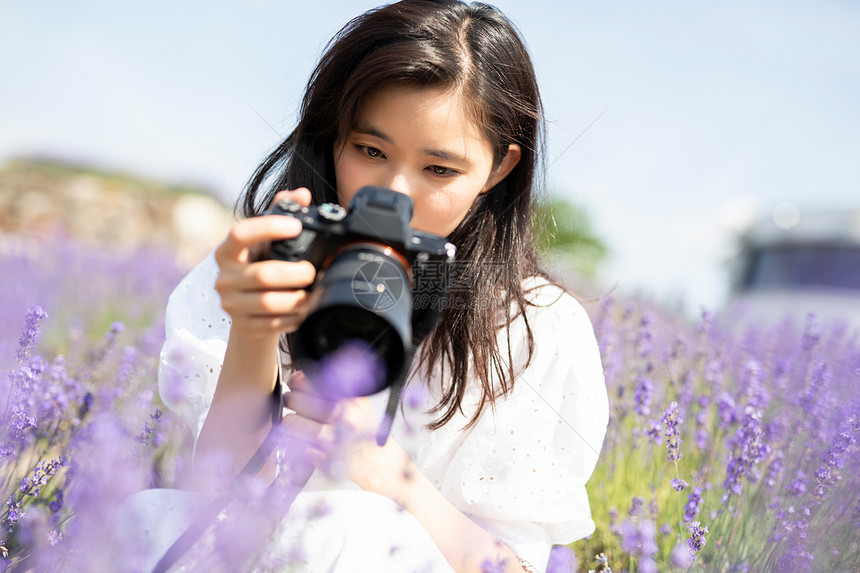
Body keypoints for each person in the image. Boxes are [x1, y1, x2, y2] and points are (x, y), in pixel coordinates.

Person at [153, 1, 609, 571]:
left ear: (498, 168)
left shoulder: (540, 328)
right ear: (334, 134)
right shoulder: (259, 269)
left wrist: (396, 479)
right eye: (370, 151)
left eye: (439, 170)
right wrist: (255, 328)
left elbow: (514, 566)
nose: (395, 193)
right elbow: (210, 496)